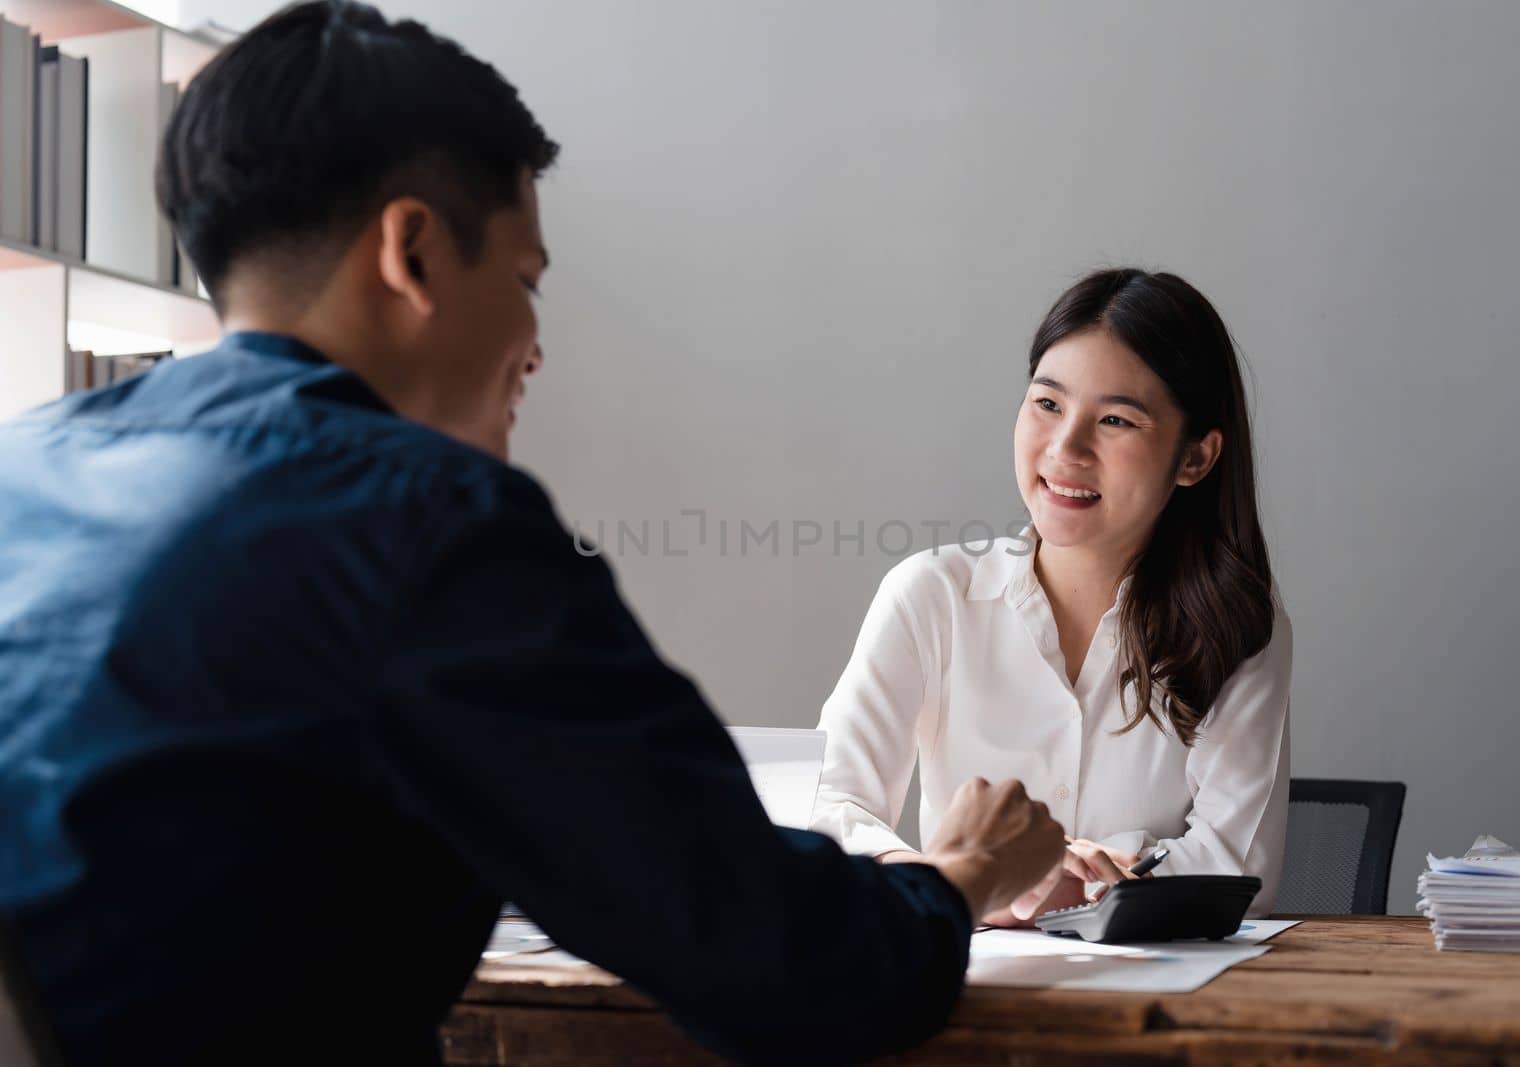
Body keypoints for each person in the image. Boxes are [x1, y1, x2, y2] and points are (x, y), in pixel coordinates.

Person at [0, 4, 1066, 1064]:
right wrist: (960, 870)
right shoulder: (428, 522)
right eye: (524, 279)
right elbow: (789, 968)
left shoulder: (24, 468)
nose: (534, 346)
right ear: (411, 250)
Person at [812, 268, 1292, 924]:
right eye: (1047, 404)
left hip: (1161, 992)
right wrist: (961, 879)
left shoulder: (1235, 622)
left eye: (1117, 419)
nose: (1066, 447)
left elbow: (1240, 871)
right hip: (963, 991)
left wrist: (1022, 879)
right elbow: (827, 808)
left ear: (1195, 458)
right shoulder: (931, 596)